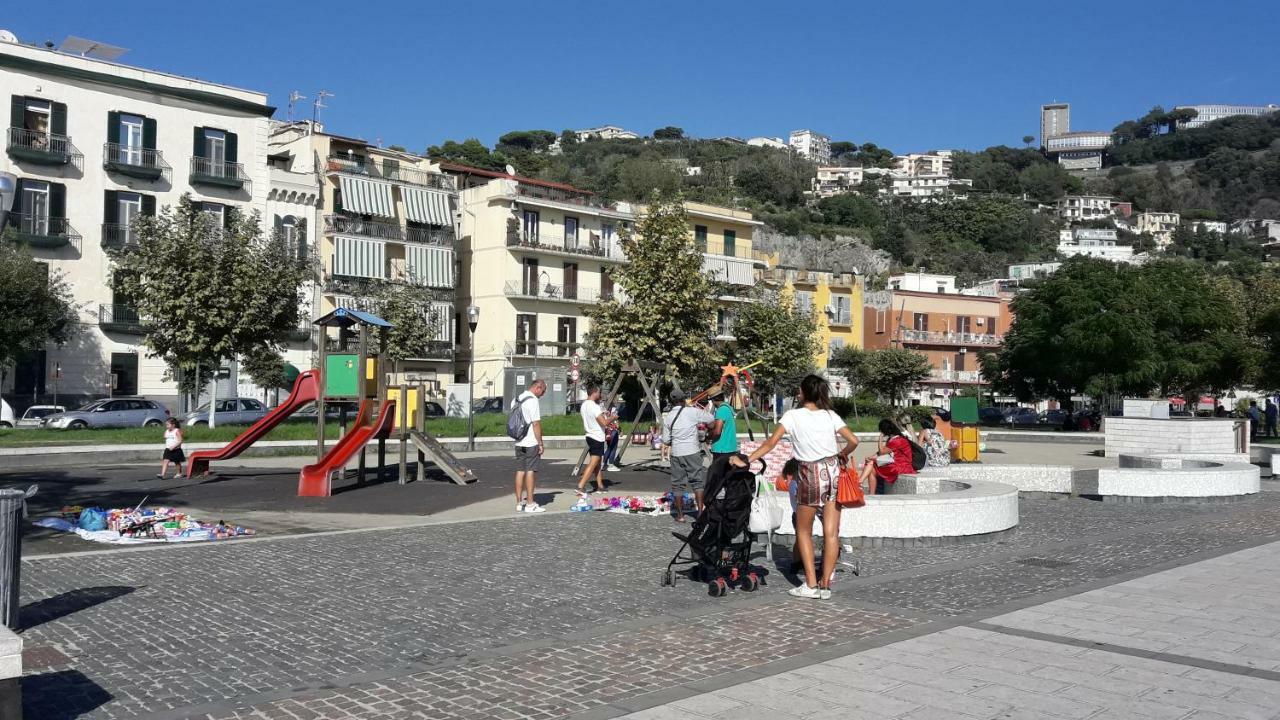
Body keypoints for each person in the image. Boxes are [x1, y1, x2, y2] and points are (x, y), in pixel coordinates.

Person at [732, 374, 858, 600]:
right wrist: (842, 455)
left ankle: (810, 584)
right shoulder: (830, 415)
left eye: (799, 391)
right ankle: (825, 586)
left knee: (803, 530)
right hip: (832, 473)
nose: (797, 394)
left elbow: (771, 443)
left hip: (809, 474)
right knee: (831, 533)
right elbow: (854, 441)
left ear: (805, 393)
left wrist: (746, 460)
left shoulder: (792, 416)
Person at [662, 388, 716, 523]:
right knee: (697, 482)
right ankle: (699, 513)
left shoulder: (668, 417)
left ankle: (680, 516)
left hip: (676, 453)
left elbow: (666, 440)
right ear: (683, 399)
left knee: (678, 485)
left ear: (672, 401)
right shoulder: (693, 411)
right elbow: (711, 420)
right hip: (692, 451)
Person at [512, 379, 547, 513]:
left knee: (520, 471)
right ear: (538, 388)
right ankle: (530, 504)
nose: (542, 394)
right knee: (531, 471)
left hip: (519, 441)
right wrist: (540, 443)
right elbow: (536, 424)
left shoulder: (517, 399)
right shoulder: (533, 401)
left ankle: (519, 502)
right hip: (531, 441)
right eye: (542, 391)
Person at [576, 385, 614, 497]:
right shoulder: (594, 406)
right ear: (595, 393)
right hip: (596, 436)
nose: (600, 395)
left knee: (598, 462)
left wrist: (604, 415)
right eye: (599, 392)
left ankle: (600, 485)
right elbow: (604, 423)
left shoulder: (584, 405)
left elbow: (596, 419)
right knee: (594, 462)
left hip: (589, 435)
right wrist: (613, 417)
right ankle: (580, 486)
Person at [859, 418, 913, 495]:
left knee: (871, 464)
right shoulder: (894, 439)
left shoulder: (897, 441)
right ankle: (871, 493)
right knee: (872, 469)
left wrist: (880, 438)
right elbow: (880, 452)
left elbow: (881, 452)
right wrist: (870, 457)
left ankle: (859, 482)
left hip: (902, 466)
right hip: (896, 462)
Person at [709, 397, 737, 463]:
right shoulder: (728, 408)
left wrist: (708, 436)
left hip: (721, 449)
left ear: (713, 400)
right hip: (729, 447)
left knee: (718, 472)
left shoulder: (721, 410)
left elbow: (717, 432)